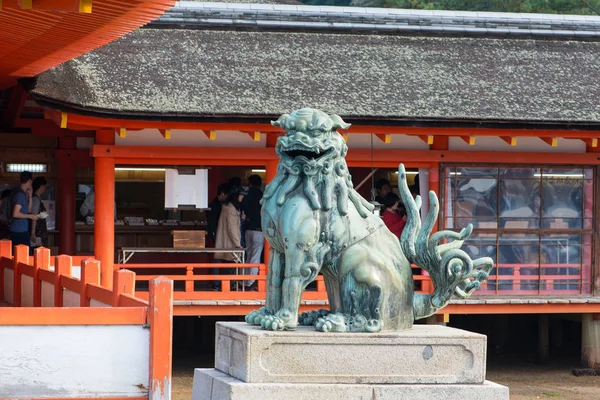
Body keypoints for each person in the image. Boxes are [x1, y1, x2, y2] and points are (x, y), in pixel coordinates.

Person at [214, 192, 242, 290]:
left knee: (225, 269)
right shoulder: (231, 211)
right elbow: (232, 229)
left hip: (224, 243)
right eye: (241, 195)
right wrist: (237, 244)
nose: (242, 197)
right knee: (229, 269)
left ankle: (224, 289)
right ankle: (228, 290)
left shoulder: (226, 209)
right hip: (230, 245)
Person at [242, 174, 264, 290]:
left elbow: (243, 211)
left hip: (248, 229)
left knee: (248, 255)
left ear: (250, 184)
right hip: (259, 230)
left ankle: (244, 280)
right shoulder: (263, 196)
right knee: (255, 256)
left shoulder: (246, 196)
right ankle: (251, 282)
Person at [9, 171, 38, 249]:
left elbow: (28, 210)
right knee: (25, 254)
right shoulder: (20, 195)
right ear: (29, 181)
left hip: (21, 229)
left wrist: (30, 196)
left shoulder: (22, 194)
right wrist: (31, 216)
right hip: (19, 230)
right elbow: (15, 213)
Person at [30, 177, 48, 248]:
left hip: (39, 231)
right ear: (41, 186)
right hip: (38, 232)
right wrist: (33, 233)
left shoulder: (36, 198)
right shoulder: (35, 199)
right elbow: (34, 215)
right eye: (44, 186)